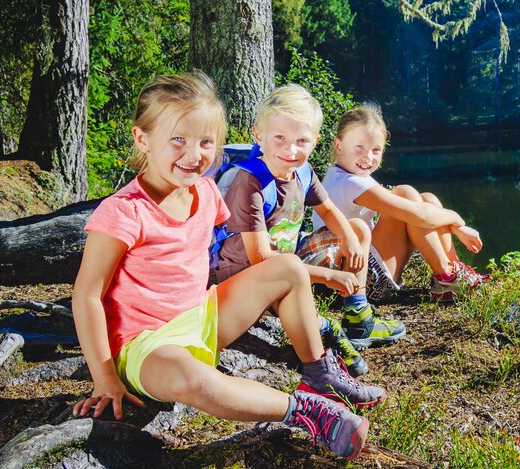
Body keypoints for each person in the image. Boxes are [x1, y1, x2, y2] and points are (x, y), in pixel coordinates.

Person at [70, 72, 383, 460]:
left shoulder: (204, 191)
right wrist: (104, 377)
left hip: (203, 315)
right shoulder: (123, 212)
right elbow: (86, 295)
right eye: (178, 140)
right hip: (147, 345)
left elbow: (227, 245)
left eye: (206, 142)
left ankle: (318, 373)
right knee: (192, 379)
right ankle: (304, 411)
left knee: (287, 267)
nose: (193, 154)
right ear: (142, 139)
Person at [213, 84, 404, 351]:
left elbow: (327, 209)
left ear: (314, 141)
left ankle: (358, 316)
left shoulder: (302, 171)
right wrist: (326, 276)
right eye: (279, 138)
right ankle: (321, 332)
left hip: (290, 254)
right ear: (259, 135)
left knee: (358, 228)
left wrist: (349, 238)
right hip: (246, 273)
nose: (291, 150)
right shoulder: (249, 183)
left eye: (301, 141)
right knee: (288, 275)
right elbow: (261, 258)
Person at [312, 102, 488, 302]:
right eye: (359, 147)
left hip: (362, 269)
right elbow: (420, 216)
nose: (368, 157)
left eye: (376, 150)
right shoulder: (348, 183)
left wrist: (455, 227)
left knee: (427, 199)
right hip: (357, 282)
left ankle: (453, 271)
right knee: (405, 194)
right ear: (339, 146)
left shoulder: (347, 174)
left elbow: (422, 212)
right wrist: (457, 222)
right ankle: (447, 278)